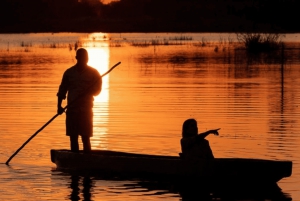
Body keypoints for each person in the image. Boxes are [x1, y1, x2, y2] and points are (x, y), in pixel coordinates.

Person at [57, 48, 102, 153]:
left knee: (86, 138)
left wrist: (88, 92)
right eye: (81, 57)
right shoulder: (69, 73)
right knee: (73, 138)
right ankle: (75, 159)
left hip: (86, 111)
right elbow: (62, 90)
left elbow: (98, 90)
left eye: (85, 58)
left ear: (88, 59)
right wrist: (59, 106)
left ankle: (87, 161)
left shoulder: (94, 73)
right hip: (72, 110)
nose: (83, 60)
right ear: (76, 58)